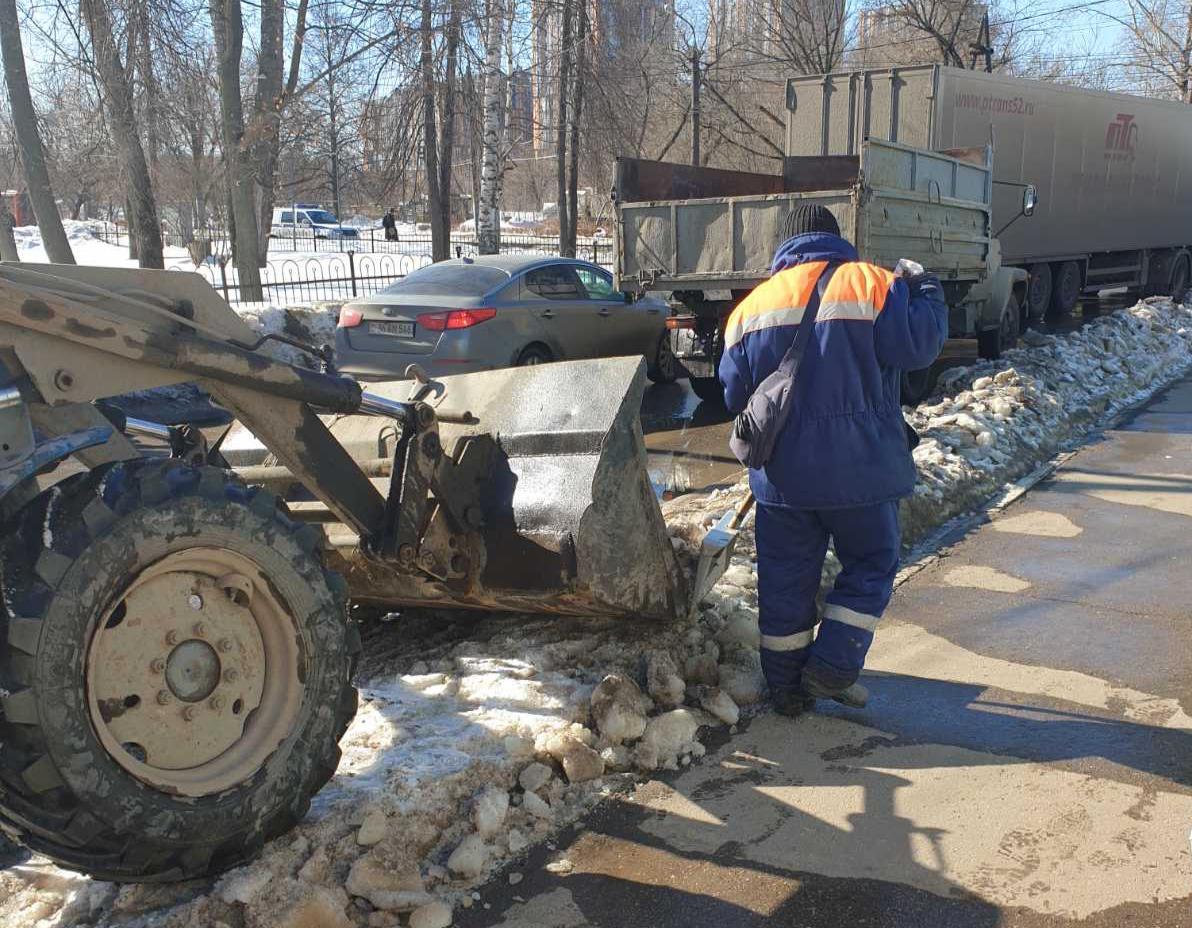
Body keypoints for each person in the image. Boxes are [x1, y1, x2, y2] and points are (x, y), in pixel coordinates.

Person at [718, 203, 948, 715]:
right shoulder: (873, 284)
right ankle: (833, 666)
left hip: (782, 480)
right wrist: (927, 288)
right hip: (863, 473)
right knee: (871, 563)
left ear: (783, 245)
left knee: (785, 579)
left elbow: (733, 393)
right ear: (835, 237)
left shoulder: (752, 307)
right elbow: (922, 346)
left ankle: (786, 689)